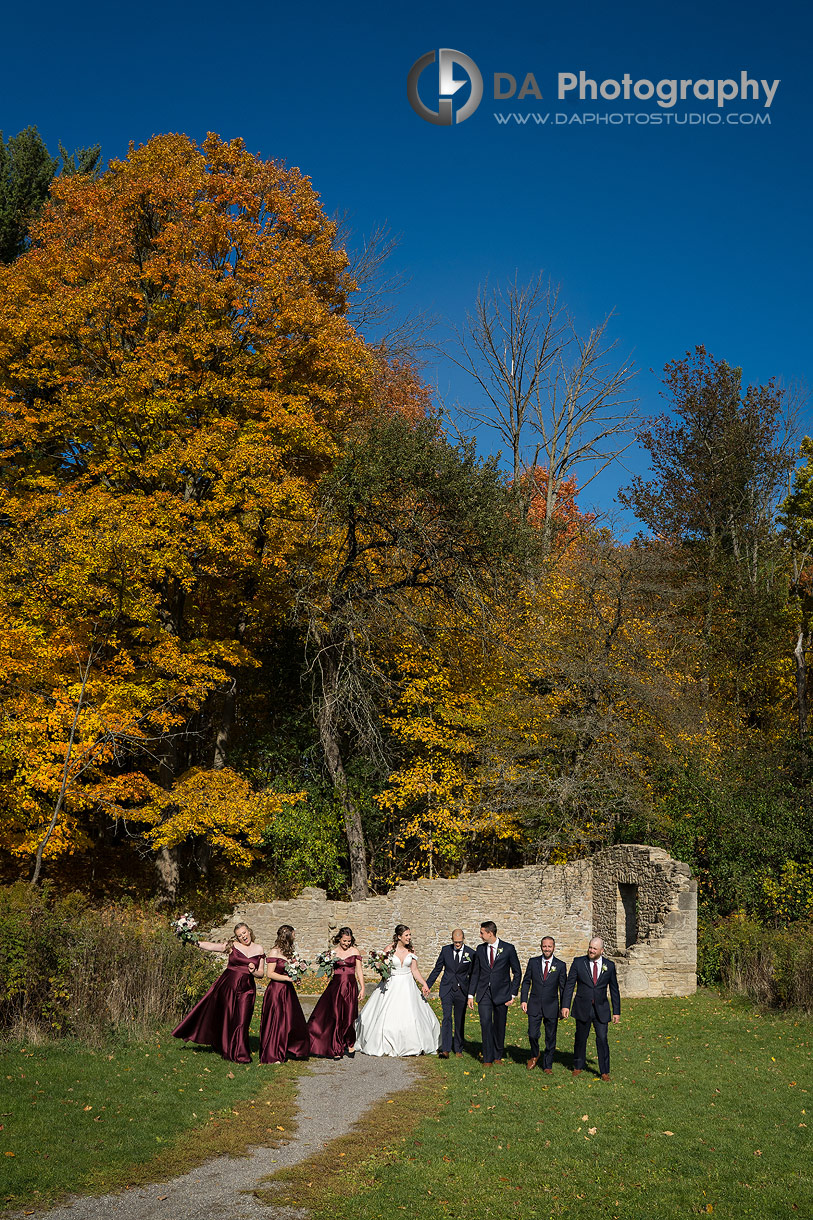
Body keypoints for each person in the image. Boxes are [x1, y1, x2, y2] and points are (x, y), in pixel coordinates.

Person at [172, 921, 265, 1064]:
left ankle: (240, 1053)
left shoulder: (259, 949)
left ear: (249, 931)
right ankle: (226, 1046)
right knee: (227, 1017)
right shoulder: (232, 946)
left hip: (247, 989)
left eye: (244, 933)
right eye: (240, 935)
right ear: (237, 937)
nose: (243, 937)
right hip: (227, 986)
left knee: (242, 1020)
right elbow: (210, 946)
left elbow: (261, 974)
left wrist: (253, 971)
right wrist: (192, 940)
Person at [355, 924, 441, 1057]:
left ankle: (414, 1043)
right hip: (391, 983)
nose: (409, 937)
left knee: (412, 1014)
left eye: (409, 935)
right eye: (406, 935)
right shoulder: (389, 949)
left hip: (407, 984)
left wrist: (424, 983)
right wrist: (379, 966)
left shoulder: (411, 950)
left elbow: (414, 970)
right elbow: (382, 966)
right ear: (399, 936)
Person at [561, 935, 621, 1081]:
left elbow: (614, 989)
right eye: (590, 947)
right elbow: (569, 985)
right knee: (581, 1038)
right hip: (582, 1007)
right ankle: (578, 1066)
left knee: (602, 1038)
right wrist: (565, 1005)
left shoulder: (610, 965)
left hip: (601, 1009)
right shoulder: (578, 962)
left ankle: (604, 1071)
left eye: (594, 948)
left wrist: (616, 1011)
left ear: (602, 950)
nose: (591, 950)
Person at [467, 920, 522, 1065]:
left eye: (482, 933)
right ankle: (487, 1058)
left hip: (502, 994)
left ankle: (497, 1055)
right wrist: (471, 995)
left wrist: (512, 994)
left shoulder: (508, 949)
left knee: (499, 1025)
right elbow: (475, 973)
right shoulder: (479, 949)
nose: (480, 935)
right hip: (484, 993)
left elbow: (517, 972)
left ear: (490, 933)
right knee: (485, 1024)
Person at [307, 926, 365, 1059]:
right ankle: (336, 1047)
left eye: (349, 941)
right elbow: (328, 970)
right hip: (336, 987)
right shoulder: (332, 953)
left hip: (350, 986)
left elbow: (359, 971)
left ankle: (350, 1043)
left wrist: (362, 987)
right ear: (339, 939)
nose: (346, 944)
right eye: (344, 941)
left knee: (350, 1015)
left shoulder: (355, 951)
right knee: (336, 1015)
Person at [259, 924, 310, 1064]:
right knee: (277, 1021)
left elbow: (291, 971)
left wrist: (295, 978)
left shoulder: (290, 953)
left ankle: (292, 1048)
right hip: (276, 991)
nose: (295, 936)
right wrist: (287, 978)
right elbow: (270, 974)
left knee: (290, 1021)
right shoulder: (274, 952)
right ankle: (273, 1053)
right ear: (288, 935)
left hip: (288, 991)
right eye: (293, 934)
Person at [426, 927, 475, 1058]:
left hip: (461, 991)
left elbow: (473, 974)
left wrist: (471, 992)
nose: (457, 944)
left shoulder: (470, 953)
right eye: (455, 942)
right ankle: (446, 1049)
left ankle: (458, 1048)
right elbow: (437, 969)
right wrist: (427, 985)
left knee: (459, 1019)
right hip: (447, 989)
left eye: (459, 942)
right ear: (452, 940)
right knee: (447, 1018)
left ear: (463, 939)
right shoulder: (445, 951)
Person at [521, 935, 566, 1073]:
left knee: (550, 1037)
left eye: (549, 946)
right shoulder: (533, 962)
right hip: (534, 1004)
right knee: (533, 1034)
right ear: (541, 947)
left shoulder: (560, 965)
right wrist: (523, 999)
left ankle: (547, 1065)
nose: (547, 949)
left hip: (552, 1006)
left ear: (554, 947)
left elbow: (563, 988)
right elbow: (526, 981)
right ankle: (535, 1055)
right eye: (544, 946)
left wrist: (564, 1007)